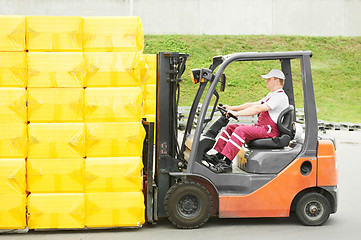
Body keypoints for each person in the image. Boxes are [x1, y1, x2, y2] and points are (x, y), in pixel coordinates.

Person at [205, 69, 289, 173]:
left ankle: (226, 164)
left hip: (270, 131)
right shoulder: (271, 95)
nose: (266, 81)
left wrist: (236, 113)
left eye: (269, 79)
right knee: (231, 127)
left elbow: (259, 109)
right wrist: (232, 108)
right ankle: (219, 156)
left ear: (277, 81)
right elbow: (253, 105)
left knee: (241, 130)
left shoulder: (280, 96)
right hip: (262, 127)